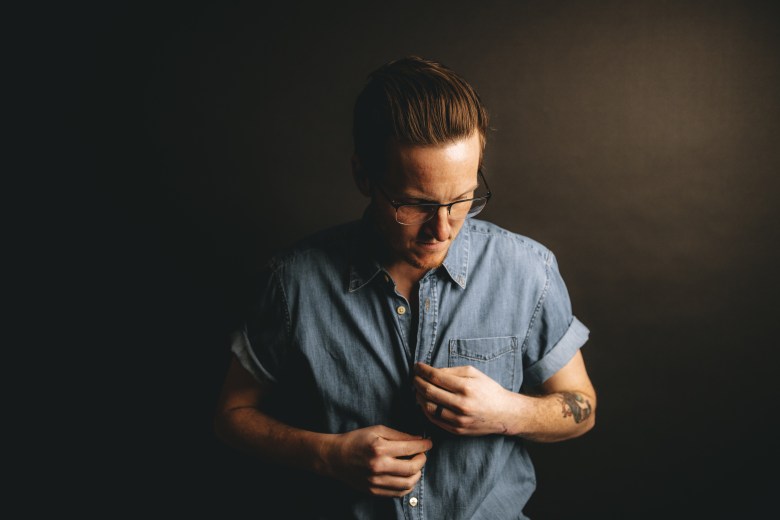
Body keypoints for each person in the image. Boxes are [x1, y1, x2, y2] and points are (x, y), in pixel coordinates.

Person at [214, 55, 596, 519]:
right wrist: (327, 455)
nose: (442, 229)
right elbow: (232, 415)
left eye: (463, 200)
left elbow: (583, 407)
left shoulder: (528, 269)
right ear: (363, 176)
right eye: (415, 204)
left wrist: (509, 412)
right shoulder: (292, 281)